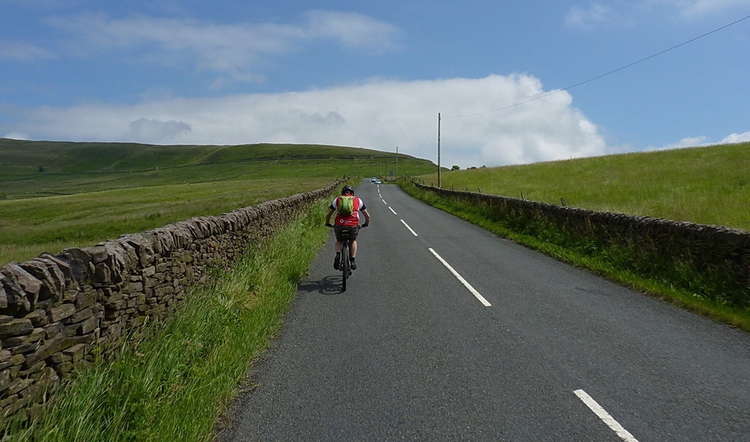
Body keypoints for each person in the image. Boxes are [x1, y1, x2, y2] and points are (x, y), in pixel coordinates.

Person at [325, 185, 370, 270]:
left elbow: (329, 214)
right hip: (353, 225)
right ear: (352, 193)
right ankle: (352, 260)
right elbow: (367, 215)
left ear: (342, 193)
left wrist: (327, 222)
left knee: (339, 240)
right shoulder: (357, 200)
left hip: (339, 224)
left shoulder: (337, 199)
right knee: (353, 241)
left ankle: (338, 254)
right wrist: (366, 223)